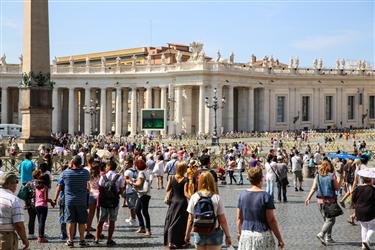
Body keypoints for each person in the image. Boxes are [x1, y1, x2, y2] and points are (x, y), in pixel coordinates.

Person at [237, 167, 284, 250]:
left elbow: (239, 218)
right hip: (262, 235)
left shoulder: (242, 195)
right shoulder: (266, 196)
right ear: (262, 178)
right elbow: (271, 220)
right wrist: (279, 239)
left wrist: (239, 233)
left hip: (245, 234)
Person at [185, 172, 231, 250]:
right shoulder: (216, 197)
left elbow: (190, 219)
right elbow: (222, 220)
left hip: (199, 232)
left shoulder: (194, 197)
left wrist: (187, 235)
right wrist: (228, 236)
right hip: (214, 232)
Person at [305, 161, 339, 246]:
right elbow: (337, 187)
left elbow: (313, 188)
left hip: (320, 201)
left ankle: (329, 237)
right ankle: (321, 234)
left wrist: (308, 198)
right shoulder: (332, 176)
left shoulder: (317, 176)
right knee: (331, 220)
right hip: (330, 201)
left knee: (327, 220)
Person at [58, 156, 90, 247]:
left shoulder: (66, 173)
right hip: (81, 200)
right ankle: (82, 240)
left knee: (70, 221)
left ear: (72, 162)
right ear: (81, 163)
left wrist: (69, 166)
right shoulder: (85, 172)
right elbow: (88, 182)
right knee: (81, 222)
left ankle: (70, 240)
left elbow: (60, 182)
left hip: (69, 201)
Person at [95, 160, 125, 246]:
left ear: (108, 166)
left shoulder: (103, 177)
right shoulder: (119, 177)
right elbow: (121, 190)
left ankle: (97, 238)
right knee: (112, 221)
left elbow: (100, 189)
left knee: (101, 221)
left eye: (106, 166)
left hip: (103, 201)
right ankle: (109, 239)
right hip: (114, 202)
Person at [0, 171, 29, 250]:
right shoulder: (13, 199)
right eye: (16, 182)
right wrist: (25, 240)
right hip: (5, 237)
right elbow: (19, 225)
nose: (17, 185)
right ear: (10, 184)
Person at [164, 161, 190, 248]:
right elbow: (185, 193)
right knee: (182, 222)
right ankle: (181, 241)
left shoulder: (171, 177)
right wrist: (194, 197)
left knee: (171, 221)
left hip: (173, 202)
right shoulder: (186, 179)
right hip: (182, 202)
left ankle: (170, 241)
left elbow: (167, 189)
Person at [351, 173, 375, 250]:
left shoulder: (358, 188)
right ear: (371, 179)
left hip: (359, 211)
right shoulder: (373, 189)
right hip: (370, 212)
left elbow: (353, 199)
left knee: (364, 228)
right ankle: (366, 240)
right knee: (372, 227)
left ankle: (363, 246)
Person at [32, 165, 55, 243]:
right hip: (43, 205)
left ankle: (40, 235)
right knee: (42, 221)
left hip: (36, 205)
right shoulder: (45, 187)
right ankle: (41, 237)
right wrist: (51, 201)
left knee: (39, 221)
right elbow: (45, 199)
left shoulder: (37, 186)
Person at [131, 159, 152, 236]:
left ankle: (148, 230)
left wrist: (131, 182)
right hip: (144, 194)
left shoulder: (140, 173)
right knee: (137, 210)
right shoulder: (146, 171)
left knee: (144, 212)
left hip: (144, 194)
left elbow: (139, 184)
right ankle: (142, 227)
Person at [86, 158, 100, 239]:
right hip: (99, 195)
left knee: (90, 215)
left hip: (91, 195)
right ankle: (98, 233)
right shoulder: (100, 176)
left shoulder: (89, 177)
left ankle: (87, 232)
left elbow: (87, 187)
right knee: (99, 215)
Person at [124, 157, 138, 226]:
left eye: (126, 163)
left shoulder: (127, 171)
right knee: (133, 204)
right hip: (135, 189)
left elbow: (126, 180)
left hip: (129, 190)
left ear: (130, 164)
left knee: (131, 206)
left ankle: (133, 219)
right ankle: (131, 217)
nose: (125, 164)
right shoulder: (135, 170)